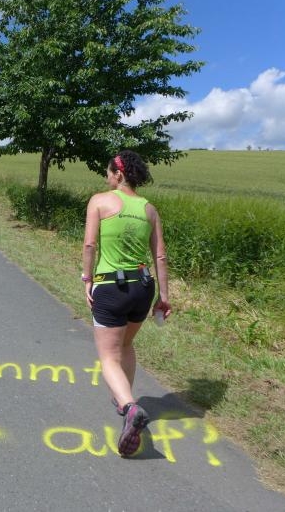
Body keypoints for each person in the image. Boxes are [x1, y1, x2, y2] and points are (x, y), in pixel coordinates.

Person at [81, 149, 171, 457]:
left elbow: (90, 244)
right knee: (127, 345)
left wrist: (87, 278)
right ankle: (124, 400)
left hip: (111, 287)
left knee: (108, 356)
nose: (106, 178)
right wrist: (164, 297)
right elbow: (160, 256)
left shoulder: (99, 201)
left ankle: (130, 407)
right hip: (143, 287)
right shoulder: (149, 209)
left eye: (108, 173)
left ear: (118, 174)